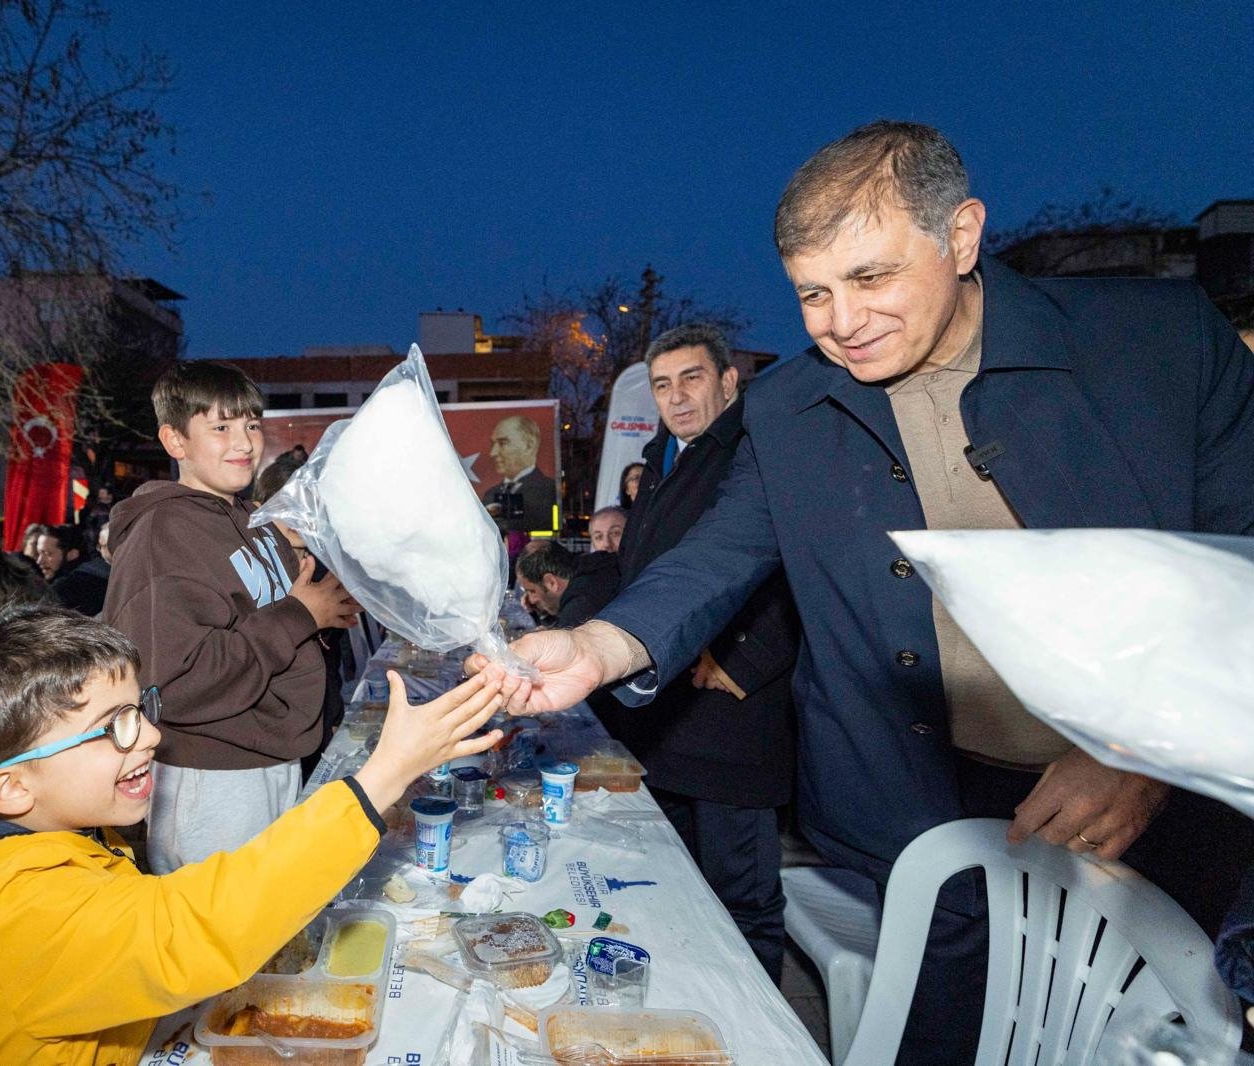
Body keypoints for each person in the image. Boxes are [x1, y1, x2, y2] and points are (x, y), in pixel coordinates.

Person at [473, 121, 1254, 1063]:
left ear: (961, 236)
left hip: (1165, 809)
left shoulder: (1157, 345)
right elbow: (727, 545)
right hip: (921, 802)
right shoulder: (790, 404)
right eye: (812, 292)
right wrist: (601, 645)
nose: (841, 321)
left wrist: (1137, 756)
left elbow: (1238, 570)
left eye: (872, 278)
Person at [0, 605, 503, 1065]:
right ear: (12, 789)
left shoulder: (41, 845)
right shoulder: (9, 910)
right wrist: (381, 777)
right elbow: (193, 928)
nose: (148, 738)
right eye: (111, 728)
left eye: (138, 709)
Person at [596, 322, 800, 982]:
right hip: (670, 725)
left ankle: (760, 1041)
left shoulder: (753, 448)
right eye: (662, 385)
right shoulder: (664, 462)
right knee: (680, 890)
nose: (677, 397)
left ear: (728, 380)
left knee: (741, 901)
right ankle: (700, 1008)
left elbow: (792, 564)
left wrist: (743, 661)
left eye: (692, 379)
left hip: (731, 727)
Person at [102, 361, 361, 873]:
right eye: (219, 428)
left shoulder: (246, 518)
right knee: (219, 940)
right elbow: (175, 679)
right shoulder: (166, 532)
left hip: (270, 756)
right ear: (175, 441)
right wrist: (297, 615)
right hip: (213, 779)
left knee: (273, 925)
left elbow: (275, 613)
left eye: (251, 424)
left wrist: (317, 611)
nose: (243, 442)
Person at [254, 452, 349, 780]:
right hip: (267, 743)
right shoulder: (251, 574)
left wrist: (334, 714)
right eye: (287, 504)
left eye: (309, 506)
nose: (299, 516)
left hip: (316, 727)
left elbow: (330, 658)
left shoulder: (323, 571)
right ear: (260, 506)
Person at [514, 540, 616, 628]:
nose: (531, 600)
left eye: (532, 591)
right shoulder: (596, 566)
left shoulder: (579, 610)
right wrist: (542, 613)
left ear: (552, 582)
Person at [483, 415, 556, 534]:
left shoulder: (548, 490)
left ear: (529, 446)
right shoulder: (490, 493)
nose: (493, 453)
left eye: (503, 443)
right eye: (493, 444)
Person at [37, 523, 108, 617]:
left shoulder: (64, 590)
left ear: (72, 554)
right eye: (38, 553)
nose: (39, 561)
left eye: (48, 554)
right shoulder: (105, 574)